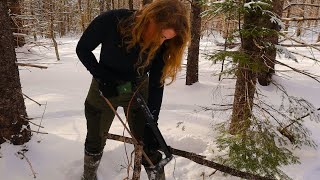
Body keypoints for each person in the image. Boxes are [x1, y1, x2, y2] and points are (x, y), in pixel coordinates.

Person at [76, 0, 190, 179]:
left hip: (138, 89)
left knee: (147, 143)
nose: (161, 42)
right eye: (161, 35)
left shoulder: (163, 43)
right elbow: (82, 49)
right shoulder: (111, 20)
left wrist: (152, 122)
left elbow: (155, 83)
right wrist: (102, 77)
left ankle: (157, 175)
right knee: (95, 139)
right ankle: (88, 176)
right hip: (104, 88)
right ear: (150, 18)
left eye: (166, 39)